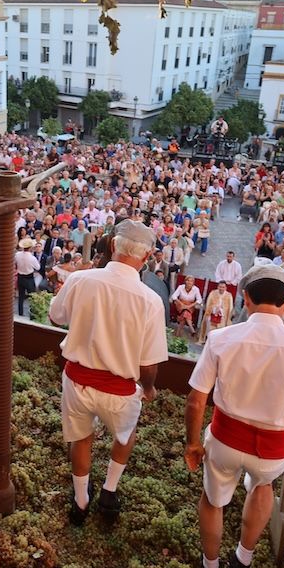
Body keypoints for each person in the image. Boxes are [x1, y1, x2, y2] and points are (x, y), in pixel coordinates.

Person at [184, 265, 284, 568]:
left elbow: (196, 400)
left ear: (246, 298)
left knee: (212, 500)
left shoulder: (221, 338)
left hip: (225, 439)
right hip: (273, 451)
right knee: (262, 487)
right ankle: (243, 558)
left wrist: (193, 443)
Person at [49, 219, 167, 526]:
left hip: (77, 380)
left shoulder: (81, 280)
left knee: (82, 438)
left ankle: (80, 500)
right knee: (125, 436)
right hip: (121, 390)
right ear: (147, 256)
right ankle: (109, 489)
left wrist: (76, 282)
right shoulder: (151, 301)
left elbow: (55, 316)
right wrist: (149, 388)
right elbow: (149, 363)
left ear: (113, 245)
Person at [15, 236, 39, 317]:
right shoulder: (32, 258)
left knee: (21, 296)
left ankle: (20, 313)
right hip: (29, 278)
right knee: (33, 297)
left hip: (20, 277)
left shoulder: (17, 255)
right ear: (30, 247)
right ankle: (33, 314)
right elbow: (38, 267)